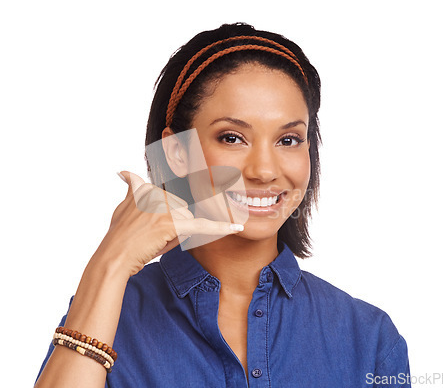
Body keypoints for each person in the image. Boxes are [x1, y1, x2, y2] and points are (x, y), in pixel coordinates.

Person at [34, 22, 411, 387]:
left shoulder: (369, 338)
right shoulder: (107, 314)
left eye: (289, 140)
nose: (265, 171)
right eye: (233, 138)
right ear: (177, 153)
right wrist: (110, 262)